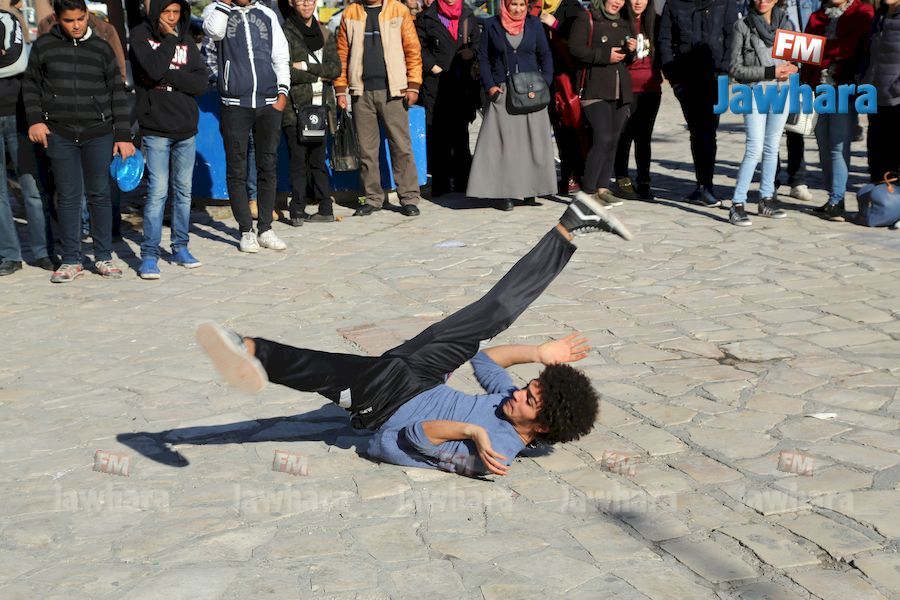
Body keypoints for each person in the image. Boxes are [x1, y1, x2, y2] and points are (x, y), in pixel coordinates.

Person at [196, 194, 632, 477]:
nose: (517, 393)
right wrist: (537, 352)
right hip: (423, 373)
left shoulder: (493, 453)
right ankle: (568, 226)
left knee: (330, 371)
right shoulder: (508, 402)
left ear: (543, 425)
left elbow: (398, 442)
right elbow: (484, 360)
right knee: (491, 315)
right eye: (528, 386)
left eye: (529, 399)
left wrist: (471, 430)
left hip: (386, 400)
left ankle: (248, 350)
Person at [23, 0, 135, 283]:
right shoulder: (44, 46)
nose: (76, 25)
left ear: (87, 15)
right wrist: (35, 120)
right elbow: (31, 85)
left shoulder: (101, 48)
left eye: (80, 19)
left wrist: (123, 135)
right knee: (68, 196)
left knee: (100, 194)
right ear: (58, 19)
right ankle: (71, 259)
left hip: (99, 132)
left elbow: (117, 92)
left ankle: (103, 256)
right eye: (69, 20)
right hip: (59, 133)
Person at [203, 0, 291, 252]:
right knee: (237, 169)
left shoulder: (266, 14)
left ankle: (266, 228)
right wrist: (224, 4)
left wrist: (282, 94)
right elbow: (215, 32)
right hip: (235, 104)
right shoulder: (215, 11)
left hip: (268, 103)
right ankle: (245, 230)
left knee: (268, 166)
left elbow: (280, 55)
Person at [130, 0, 209, 280]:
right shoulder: (140, 35)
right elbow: (152, 70)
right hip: (155, 128)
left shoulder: (186, 38)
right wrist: (170, 41)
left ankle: (180, 247)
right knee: (157, 193)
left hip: (186, 128)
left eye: (177, 12)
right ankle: (150, 254)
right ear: (156, 12)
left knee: (184, 192)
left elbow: (201, 82)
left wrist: (171, 76)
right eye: (167, 12)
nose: (172, 18)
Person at [335, 0, 424, 217]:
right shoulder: (350, 13)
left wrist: (413, 85)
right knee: (367, 150)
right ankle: (372, 198)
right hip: (361, 92)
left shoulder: (398, 10)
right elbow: (342, 54)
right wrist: (340, 89)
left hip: (394, 91)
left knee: (401, 146)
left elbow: (412, 50)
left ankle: (409, 197)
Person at [467, 0, 556, 211]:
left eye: (522, 5)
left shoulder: (534, 24)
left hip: (531, 91)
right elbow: (484, 58)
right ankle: (504, 192)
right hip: (503, 91)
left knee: (531, 142)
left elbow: (545, 54)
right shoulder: (492, 25)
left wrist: (546, 80)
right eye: (513, 4)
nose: (518, 9)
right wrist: (490, 85)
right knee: (504, 144)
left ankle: (530, 189)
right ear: (505, 5)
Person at [658, 0, 737, 207]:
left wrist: (724, 73)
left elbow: (732, 38)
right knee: (697, 131)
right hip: (685, 79)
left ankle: (706, 186)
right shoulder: (673, 4)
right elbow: (665, 41)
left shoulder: (725, 3)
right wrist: (673, 78)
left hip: (715, 78)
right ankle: (702, 185)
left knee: (708, 131)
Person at [727, 0, 796, 227]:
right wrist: (770, 72)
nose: (762, 0)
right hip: (754, 92)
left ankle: (766, 199)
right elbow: (735, 69)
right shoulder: (742, 26)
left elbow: (797, 60)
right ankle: (737, 203)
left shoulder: (786, 24)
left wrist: (794, 67)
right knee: (754, 148)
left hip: (782, 91)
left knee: (772, 146)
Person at [804, 0, 873, 222]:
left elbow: (850, 48)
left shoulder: (861, 12)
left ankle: (837, 199)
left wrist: (819, 49)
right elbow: (805, 53)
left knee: (838, 145)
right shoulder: (817, 16)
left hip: (844, 88)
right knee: (822, 143)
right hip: (819, 89)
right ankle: (832, 198)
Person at [0, 4, 53, 276]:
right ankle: (9, 255)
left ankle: (43, 251)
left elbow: (17, 62)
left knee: (31, 186)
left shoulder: (7, 18)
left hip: (17, 113)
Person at [569, 0, 636, 209]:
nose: (617, 2)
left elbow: (627, 60)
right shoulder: (587, 17)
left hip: (620, 90)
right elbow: (575, 49)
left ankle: (603, 188)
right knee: (602, 138)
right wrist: (605, 55)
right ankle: (588, 191)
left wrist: (631, 50)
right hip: (595, 88)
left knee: (613, 140)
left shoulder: (624, 22)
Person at [282, 0, 340, 227]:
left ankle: (326, 208)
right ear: (292, 3)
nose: (306, 4)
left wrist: (306, 66)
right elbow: (286, 71)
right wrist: (319, 75)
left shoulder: (324, 33)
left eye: (310, 0)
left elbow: (335, 69)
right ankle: (297, 211)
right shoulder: (285, 33)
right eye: (301, 0)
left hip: (321, 107)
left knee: (318, 161)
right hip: (295, 108)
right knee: (297, 162)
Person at [416, 0, 481, 198]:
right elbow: (418, 46)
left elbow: (478, 43)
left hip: (462, 82)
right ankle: (441, 182)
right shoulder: (427, 17)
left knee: (461, 132)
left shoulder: (467, 15)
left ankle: (462, 181)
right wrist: (431, 66)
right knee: (438, 133)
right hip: (436, 82)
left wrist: (472, 52)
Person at [611, 0, 661, 201]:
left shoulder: (656, 22)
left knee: (644, 137)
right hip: (626, 88)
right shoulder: (620, 22)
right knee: (624, 135)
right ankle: (622, 179)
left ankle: (644, 181)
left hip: (651, 88)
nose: (638, 2)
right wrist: (625, 49)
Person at [541, 0, 589, 195]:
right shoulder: (534, 7)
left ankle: (575, 174)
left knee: (571, 127)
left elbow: (580, 39)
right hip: (545, 80)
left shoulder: (572, 7)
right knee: (558, 129)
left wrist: (555, 25)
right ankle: (565, 174)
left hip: (568, 81)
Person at [777, 0, 820, 202]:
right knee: (771, 131)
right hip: (774, 67)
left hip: (802, 66)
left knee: (796, 127)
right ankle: (772, 181)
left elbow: (816, 29)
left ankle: (797, 180)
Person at [863, 0, 900, 182]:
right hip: (876, 95)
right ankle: (879, 195)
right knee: (876, 153)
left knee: (894, 154)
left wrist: (896, 88)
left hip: (896, 99)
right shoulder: (880, 15)